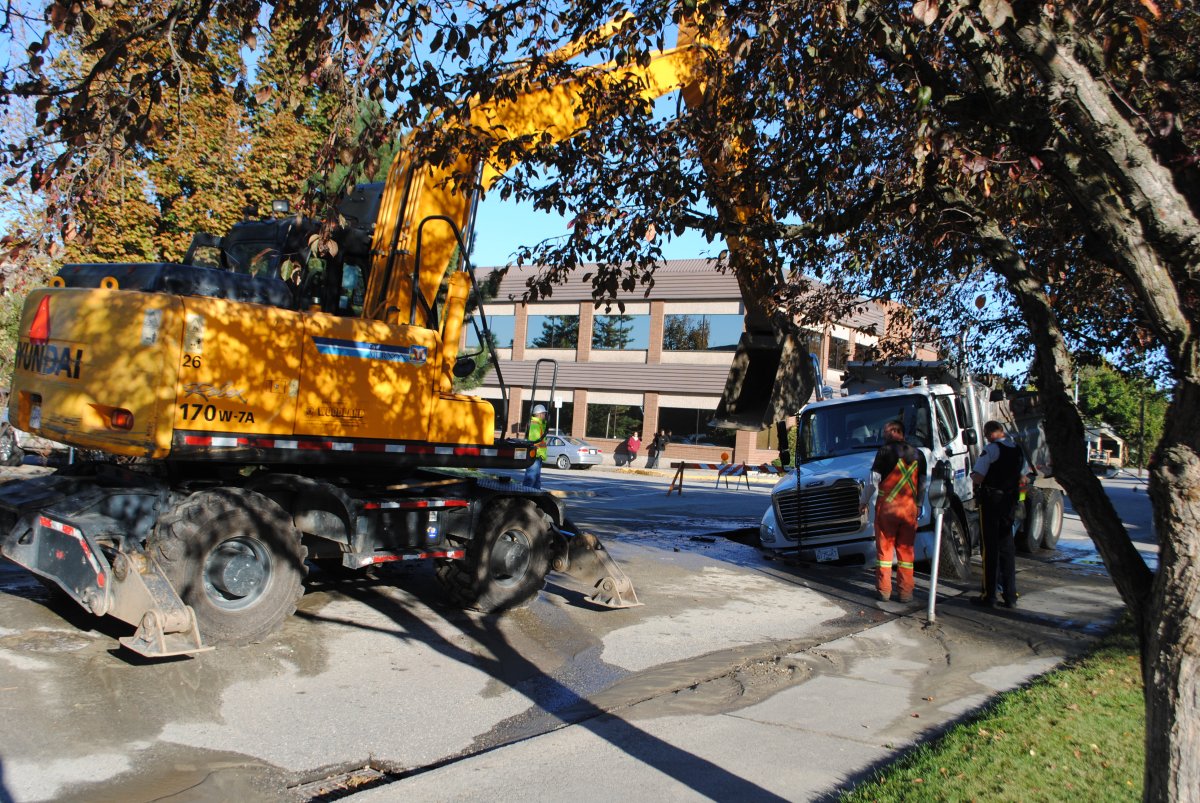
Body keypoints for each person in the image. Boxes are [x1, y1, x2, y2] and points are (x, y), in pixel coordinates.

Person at [860, 420, 927, 603]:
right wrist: (919, 505)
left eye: (886, 431)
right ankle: (906, 593)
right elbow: (922, 484)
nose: (884, 435)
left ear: (895, 432)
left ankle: (884, 591)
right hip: (909, 511)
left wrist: (863, 502)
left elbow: (873, 481)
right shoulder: (919, 455)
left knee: (885, 552)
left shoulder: (884, 452)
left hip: (887, 510)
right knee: (906, 553)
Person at [970, 420, 1026, 609]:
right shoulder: (1017, 449)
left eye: (986, 435)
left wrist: (972, 479)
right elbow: (1023, 477)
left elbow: (978, 476)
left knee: (990, 548)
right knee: (1007, 548)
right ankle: (1011, 595)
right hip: (1009, 502)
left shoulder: (991, 449)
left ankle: (989, 595)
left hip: (992, 502)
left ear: (989, 433)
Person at [522, 404, 548, 489]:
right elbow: (534, 441)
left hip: (537, 455)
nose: (545, 415)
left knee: (536, 480)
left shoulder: (539, 424)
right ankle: (526, 498)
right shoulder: (535, 425)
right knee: (531, 479)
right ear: (539, 414)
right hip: (535, 455)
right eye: (544, 414)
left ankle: (535, 499)